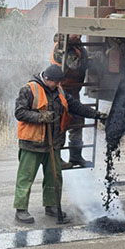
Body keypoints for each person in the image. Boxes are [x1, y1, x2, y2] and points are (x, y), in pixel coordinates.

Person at [13, 64, 107, 224]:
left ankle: (51, 206)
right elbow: (19, 112)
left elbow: (75, 107)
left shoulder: (59, 91)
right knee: (25, 177)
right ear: (46, 79)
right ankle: (21, 210)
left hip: (53, 144)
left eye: (59, 83)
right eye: (55, 83)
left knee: (54, 177)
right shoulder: (29, 89)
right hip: (32, 144)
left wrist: (96, 114)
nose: (57, 86)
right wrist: (41, 117)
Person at [51, 33, 90, 168]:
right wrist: (93, 60)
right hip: (62, 91)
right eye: (76, 33)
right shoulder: (62, 47)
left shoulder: (76, 46)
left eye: (80, 33)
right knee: (62, 123)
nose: (79, 36)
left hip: (73, 91)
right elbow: (75, 64)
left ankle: (76, 156)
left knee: (78, 121)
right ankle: (57, 159)